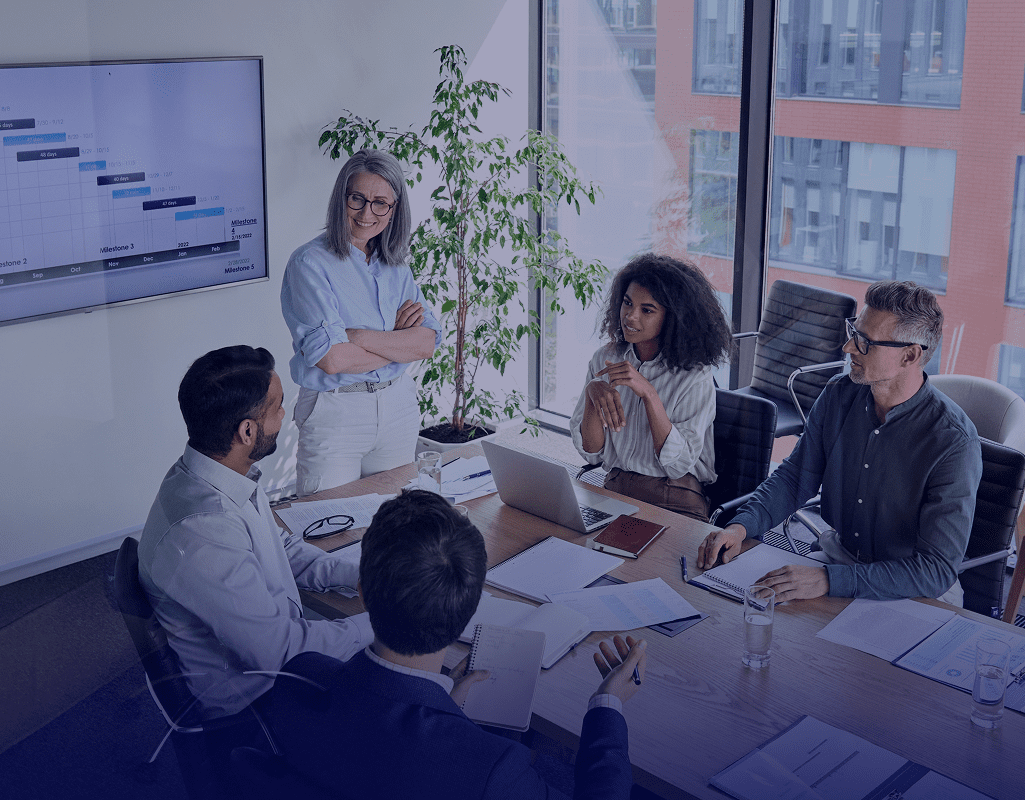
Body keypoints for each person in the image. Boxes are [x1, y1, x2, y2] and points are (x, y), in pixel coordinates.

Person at [254, 490, 647, 800]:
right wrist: (607, 706)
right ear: (471, 607)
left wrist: (444, 705)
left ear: (362, 593)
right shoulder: (490, 768)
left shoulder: (298, 680)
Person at [697, 280, 983, 605]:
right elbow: (794, 478)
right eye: (853, 332)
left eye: (865, 342)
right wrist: (740, 527)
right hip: (838, 558)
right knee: (748, 615)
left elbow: (935, 571)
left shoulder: (954, 441)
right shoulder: (838, 393)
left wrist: (829, 580)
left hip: (912, 586)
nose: (848, 348)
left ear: (910, 355)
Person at [138, 345, 373, 723]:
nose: (286, 415)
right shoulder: (203, 531)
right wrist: (388, 620)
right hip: (257, 705)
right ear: (247, 431)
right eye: (277, 407)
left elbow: (280, 548)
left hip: (275, 662)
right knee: (408, 693)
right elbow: (282, 653)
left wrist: (363, 574)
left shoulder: (213, 474)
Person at [281, 149, 441, 496]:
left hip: (397, 407)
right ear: (342, 198)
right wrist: (397, 342)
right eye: (357, 199)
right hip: (336, 410)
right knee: (329, 520)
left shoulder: (396, 265)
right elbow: (332, 359)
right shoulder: (309, 263)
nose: (367, 213)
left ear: (394, 209)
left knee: (397, 519)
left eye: (380, 203)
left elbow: (426, 343)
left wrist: (357, 336)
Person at [570, 253, 733, 520]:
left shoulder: (694, 376)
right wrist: (592, 394)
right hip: (616, 489)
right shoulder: (604, 359)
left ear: (673, 317)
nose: (630, 317)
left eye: (647, 310)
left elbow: (678, 465)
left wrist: (649, 393)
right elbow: (592, 453)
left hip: (674, 498)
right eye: (627, 303)